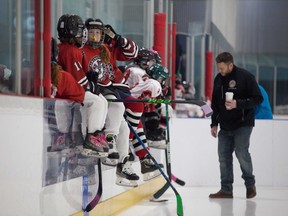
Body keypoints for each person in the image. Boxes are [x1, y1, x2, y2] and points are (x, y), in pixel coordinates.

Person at [81, 18, 140, 186]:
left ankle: (122, 165)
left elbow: (133, 53)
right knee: (117, 106)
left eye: (98, 33)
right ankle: (107, 143)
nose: (94, 36)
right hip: (94, 94)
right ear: (85, 33)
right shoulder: (82, 50)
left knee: (124, 127)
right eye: (91, 32)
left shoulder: (107, 49)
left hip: (108, 90)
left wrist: (119, 39)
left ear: (103, 35)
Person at [209, 52, 263, 199]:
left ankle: (250, 185)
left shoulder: (246, 77)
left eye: (222, 68)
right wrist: (214, 124)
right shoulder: (218, 79)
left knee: (241, 153)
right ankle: (226, 190)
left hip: (243, 123)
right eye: (218, 68)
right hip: (225, 126)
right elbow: (215, 104)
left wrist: (238, 104)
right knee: (223, 157)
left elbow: (258, 98)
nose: (220, 71)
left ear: (230, 65)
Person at [56, 14, 109, 158]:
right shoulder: (71, 51)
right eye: (81, 31)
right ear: (74, 32)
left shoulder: (63, 47)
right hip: (68, 91)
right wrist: (91, 85)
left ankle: (65, 137)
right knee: (97, 101)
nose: (83, 34)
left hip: (63, 91)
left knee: (101, 100)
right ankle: (92, 137)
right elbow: (78, 80)